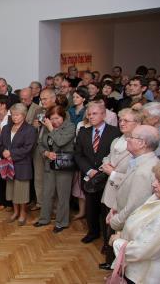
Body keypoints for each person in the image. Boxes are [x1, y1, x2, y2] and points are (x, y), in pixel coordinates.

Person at [98, 108, 142, 270]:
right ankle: (110, 259)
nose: (122, 123)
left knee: (118, 228)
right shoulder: (117, 140)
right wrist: (106, 164)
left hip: (122, 194)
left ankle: (116, 265)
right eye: (120, 120)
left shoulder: (138, 146)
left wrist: (113, 173)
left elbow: (133, 178)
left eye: (126, 121)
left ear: (137, 124)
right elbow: (108, 157)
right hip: (109, 191)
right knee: (107, 224)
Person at [75, 102, 121, 244]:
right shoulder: (83, 132)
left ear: (104, 115)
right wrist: (89, 170)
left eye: (94, 113)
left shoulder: (115, 132)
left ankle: (107, 238)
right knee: (91, 207)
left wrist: (102, 170)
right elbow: (78, 155)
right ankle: (93, 232)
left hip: (107, 177)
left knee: (106, 208)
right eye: (89, 114)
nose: (91, 116)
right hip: (89, 176)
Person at [109, 162, 160, 284]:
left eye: (159, 181)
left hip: (143, 276)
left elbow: (141, 250)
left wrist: (117, 241)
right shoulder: (156, 198)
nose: (153, 184)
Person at [107, 125, 160, 231]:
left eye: (131, 137)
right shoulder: (138, 161)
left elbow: (134, 207)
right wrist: (114, 209)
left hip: (129, 229)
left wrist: (115, 222)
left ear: (142, 143)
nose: (127, 139)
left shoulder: (145, 171)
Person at [34, 105, 75, 232]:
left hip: (64, 164)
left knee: (63, 195)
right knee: (47, 193)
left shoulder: (70, 127)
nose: (55, 121)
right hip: (49, 164)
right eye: (52, 119)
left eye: (57, 118)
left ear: (63, 117)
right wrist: (46, 153)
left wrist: (51, 128)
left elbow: (61, 141)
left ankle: (61, 222)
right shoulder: (46, 127)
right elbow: (40, 144)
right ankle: (44, 219)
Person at [0, 103, 36, 225]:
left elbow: (28, 148)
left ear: (23, 115)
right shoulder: (7, 128)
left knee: (22, 192)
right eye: (13, 114)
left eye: (17, 115)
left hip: (22, 165)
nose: (14, 117)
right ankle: (15, 212)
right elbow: (0, 145)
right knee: (12, 190)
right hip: (9, 165)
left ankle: (23, 213)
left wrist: (11, 153)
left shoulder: (30, 129)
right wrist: (3, 152)